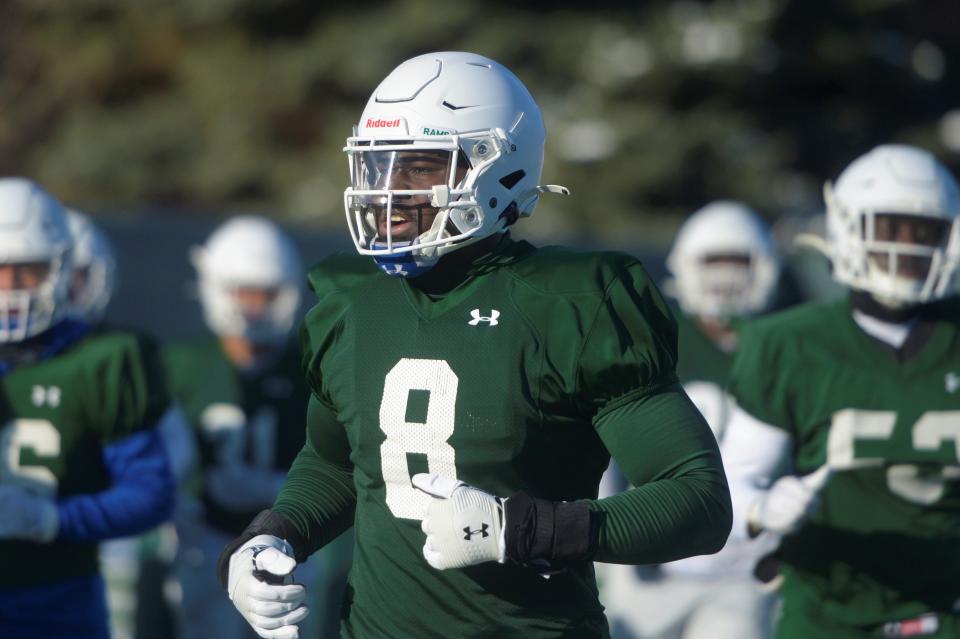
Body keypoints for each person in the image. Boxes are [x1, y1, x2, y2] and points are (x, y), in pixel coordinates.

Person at [217, 51, 732, 639]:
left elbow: (698, 502)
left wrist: (524, 530)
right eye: (379, 166)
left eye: (417, 167)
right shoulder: (352, 301)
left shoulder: (568, 304)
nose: (388, 192)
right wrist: (273, 534)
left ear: (498, 169)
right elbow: (339, 461)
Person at [721, 144, 960, 638]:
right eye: (889, 229)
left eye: (923, 231)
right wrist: (760, 510)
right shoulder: (788, 343)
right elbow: (725, 489)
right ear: (849, 229)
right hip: (828, 615)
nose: (906, 247)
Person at [0, 178, 178, 639]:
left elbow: (150, 494)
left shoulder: (102, 359)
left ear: (60, 267)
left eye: (28, 269)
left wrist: (52, 520)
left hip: (57, 602)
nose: (10, 288)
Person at [600, 201, 783, 639]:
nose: (725, 276)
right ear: (686, 266)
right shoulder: (654, 337)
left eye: (737, 262)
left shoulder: (784, 346)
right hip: (651, 556)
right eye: (713, 262)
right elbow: (603, 450)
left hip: (745, 568)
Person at [168, 216, 347, 639]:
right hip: (206, 535)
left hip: (292, 542)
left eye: (265, 294)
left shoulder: (311, 364)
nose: (254, 306)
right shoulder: (182, 365)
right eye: (242, 292)